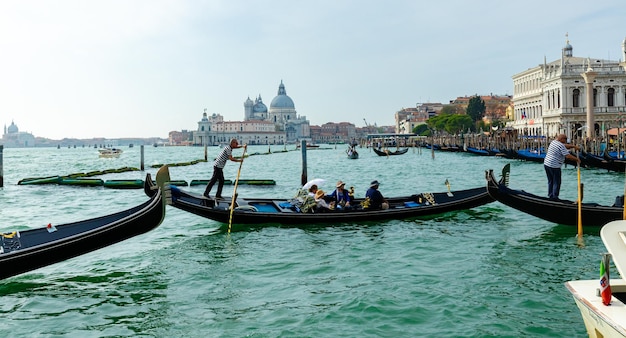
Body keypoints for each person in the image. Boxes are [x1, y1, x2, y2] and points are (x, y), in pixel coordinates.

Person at [543, 133, 581, 200]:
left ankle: (550, 195)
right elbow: (567, 156)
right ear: (562, 139)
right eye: (565, 139)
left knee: (550, 181)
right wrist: (577, 159)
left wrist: (574, 147)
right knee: (557, 182)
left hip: (547, 164)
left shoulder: (553, 142)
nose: (566, 141)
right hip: (554, 166)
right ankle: (555, 197)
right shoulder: (560, 145)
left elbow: (564, 145)